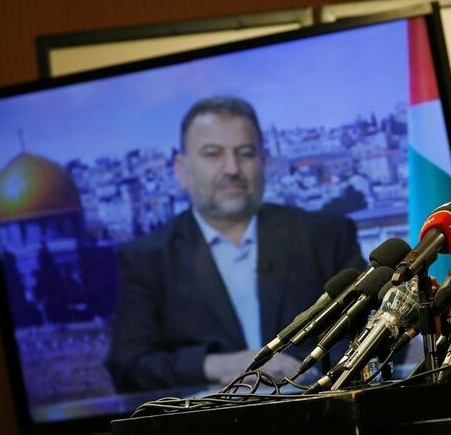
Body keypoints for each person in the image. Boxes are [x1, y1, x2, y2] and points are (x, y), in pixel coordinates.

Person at [106, 96, 365, 392]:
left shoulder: (327, 237)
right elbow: (128, 367)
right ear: (181, 170)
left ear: (263, 162)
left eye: (245, 153)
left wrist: (307, 371)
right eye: (213, 154)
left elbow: (372, 333)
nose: (231, 169)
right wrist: (220, 365)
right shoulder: (146, 258)